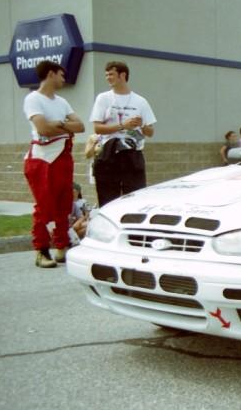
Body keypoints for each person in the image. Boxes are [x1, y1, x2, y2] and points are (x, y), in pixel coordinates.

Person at [22, 60, 85, 268]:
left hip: (63, 158)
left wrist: (59, 124)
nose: (63, 79)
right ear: (51, 74)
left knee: (63, 205)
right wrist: (65, 127)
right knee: (44, 207)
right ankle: (41, 251)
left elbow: (81, 126)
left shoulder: (62, 102)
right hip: (42, 159)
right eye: (61, 75)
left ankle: (61, 246)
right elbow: (43, 129)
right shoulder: (33, 99)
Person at [89, 61, 156, 206]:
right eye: (106, 75)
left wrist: (141, 125)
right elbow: (97, 128)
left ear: (123, 75)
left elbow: (150, 132)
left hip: (132, 155)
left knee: (135, 198)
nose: (108, 78)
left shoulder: (141, 101)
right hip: (108, 154)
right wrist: (122, 126)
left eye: (111, 74)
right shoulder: (103, 98)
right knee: (108, 199)